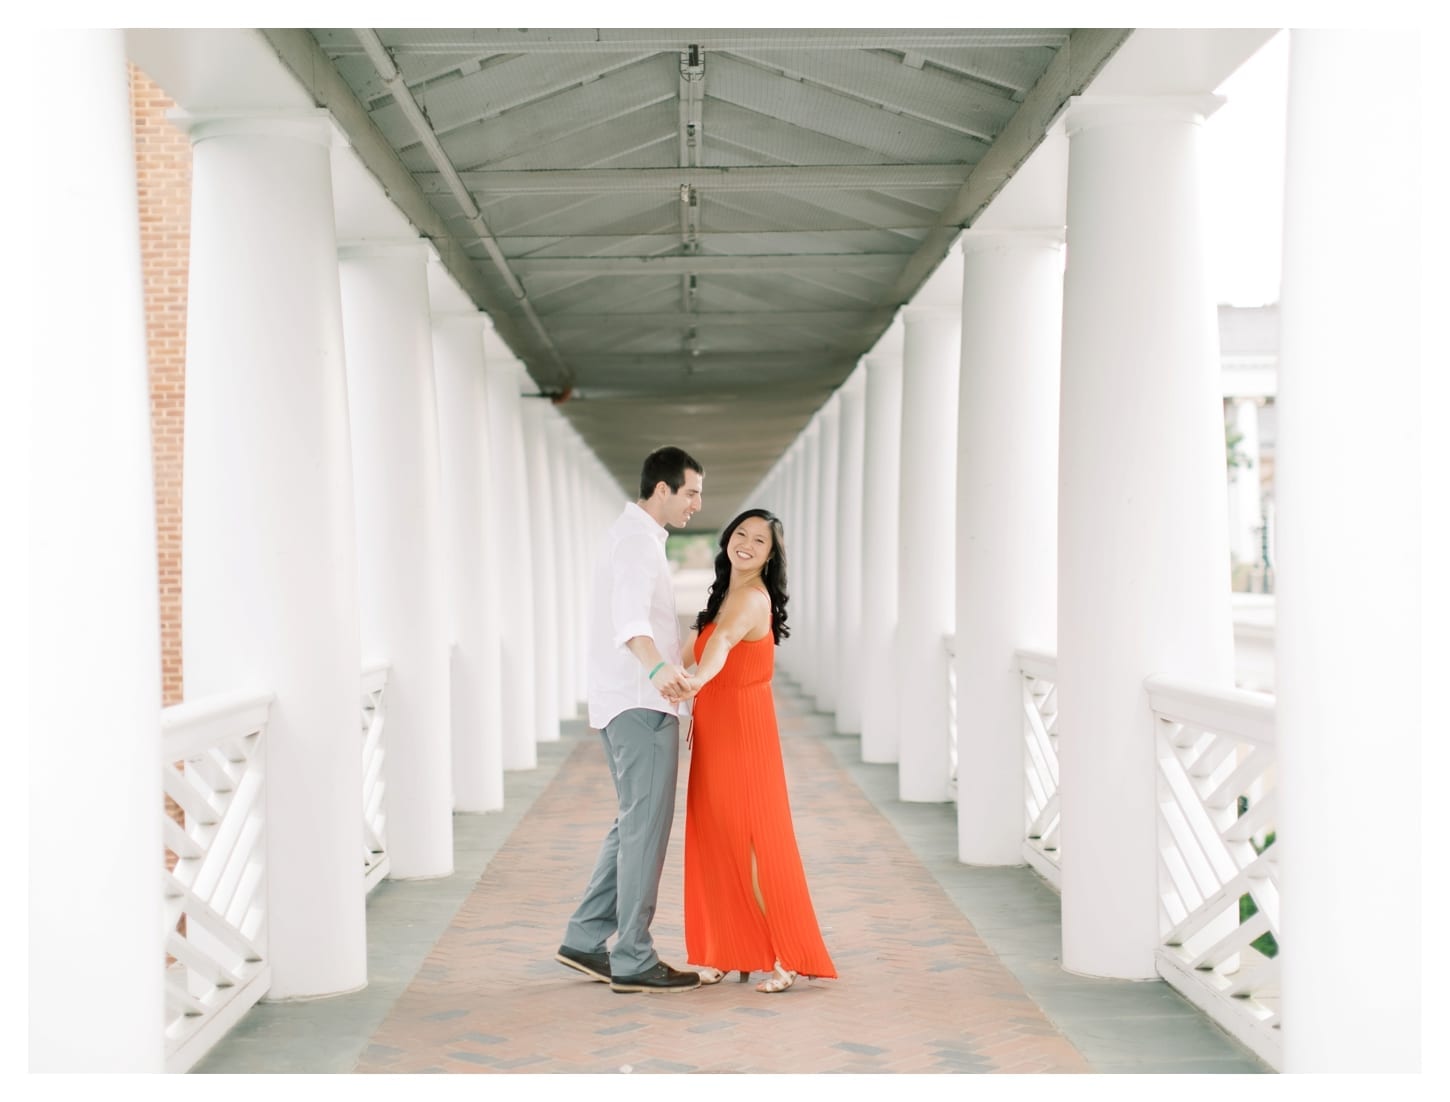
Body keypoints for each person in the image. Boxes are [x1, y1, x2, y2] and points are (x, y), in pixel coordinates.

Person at [555, 446, 705, 994]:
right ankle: (635, 957)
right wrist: (659, 668)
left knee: (631, 825)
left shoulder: (633, 537)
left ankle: (585, 937)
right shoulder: (639, 541)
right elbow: (630, 618)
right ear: (661, 489)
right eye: (690, 492)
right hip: (642, 705)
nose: (696, 503)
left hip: (628, 702)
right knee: (645, 829)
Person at [679, 508, 837, 994]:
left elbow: (722, 643)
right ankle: (731, 949)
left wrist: (697, 681)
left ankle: (787, 955)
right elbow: (691, 649)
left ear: (770, 557)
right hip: (717, 732)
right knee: (717, 837)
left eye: (759, 541)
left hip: (743, 735)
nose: (746, 543)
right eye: (741, 534)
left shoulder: (750, 597)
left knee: (752, 843)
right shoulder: (727, 593)